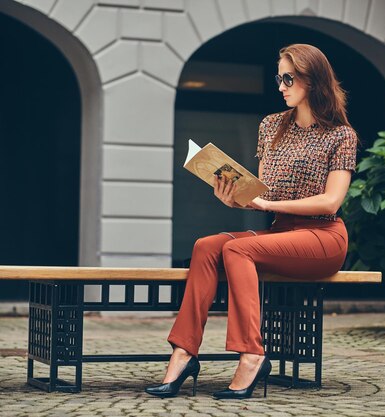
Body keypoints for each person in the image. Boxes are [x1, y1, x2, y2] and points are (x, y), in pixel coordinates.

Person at [145, 43, 358, 400]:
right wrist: (234, 194)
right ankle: (183, 353)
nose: (281, 85)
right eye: (279, 77)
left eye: (288, 78)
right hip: (280, 233)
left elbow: (331, 200)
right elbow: (262, 192)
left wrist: (270, 201)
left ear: (313, 79)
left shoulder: (340, 135)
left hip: (323, 237)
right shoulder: (271, 126)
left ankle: (252, 353)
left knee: (239, 249)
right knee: (206, 246)